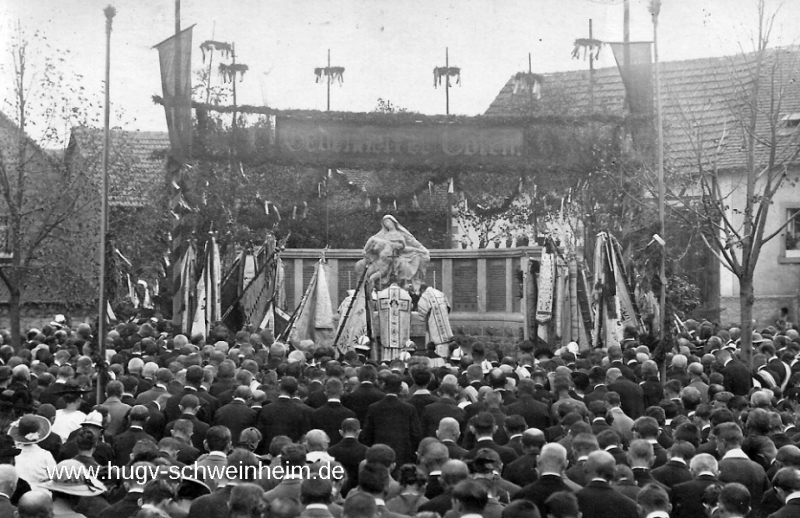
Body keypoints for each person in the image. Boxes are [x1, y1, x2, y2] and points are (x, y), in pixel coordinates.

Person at [362, 215, 429, 290]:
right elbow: (373, 241)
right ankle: (370, 286)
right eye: (385, 223)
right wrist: (367, 250)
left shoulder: (401, 233)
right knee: (382, 268)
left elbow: (412, 241)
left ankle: (413, 287)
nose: (387, 224)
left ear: (393, 221)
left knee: (413, 259)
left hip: (399, 255)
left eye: (388, 221)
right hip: (386, 258)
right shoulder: (383, 235)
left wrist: (420, 248)